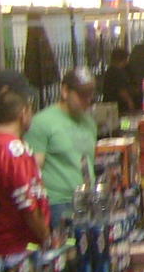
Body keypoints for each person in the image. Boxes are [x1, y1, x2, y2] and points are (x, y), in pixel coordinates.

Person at [0, 89, 50, 256]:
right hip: (21, 247)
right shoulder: (14, 151)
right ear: (23, 113)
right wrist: (46, 237)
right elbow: (26, 204)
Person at [26, 67, 99, 225]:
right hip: (58, 203)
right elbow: (33, 170)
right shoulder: (42, 122)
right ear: (65, 91)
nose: (87, 100)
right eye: (81, 95)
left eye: (89, 94)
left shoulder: (89, 123)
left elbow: (89, 160)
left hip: (87, 199)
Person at [99, 47, 141, 112]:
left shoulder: (109, 71)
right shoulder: (117, 72)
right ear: (124, 59)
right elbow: (122, 91)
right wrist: (130, 102)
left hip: (110, 105)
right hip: (120, 107)